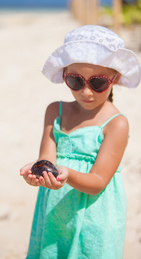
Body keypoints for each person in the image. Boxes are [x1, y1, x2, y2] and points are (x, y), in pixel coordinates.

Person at [20, 25, 141, 259]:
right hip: (55, 211)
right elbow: (47, 158)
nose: (86, 91)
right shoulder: (55, 110)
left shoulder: (117, 123)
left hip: (94, 216)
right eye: (76, 81)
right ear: (65, 75)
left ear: (114, 79)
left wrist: (67, 173)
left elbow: (97, 182)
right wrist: (37, 174)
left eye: (97, 83)